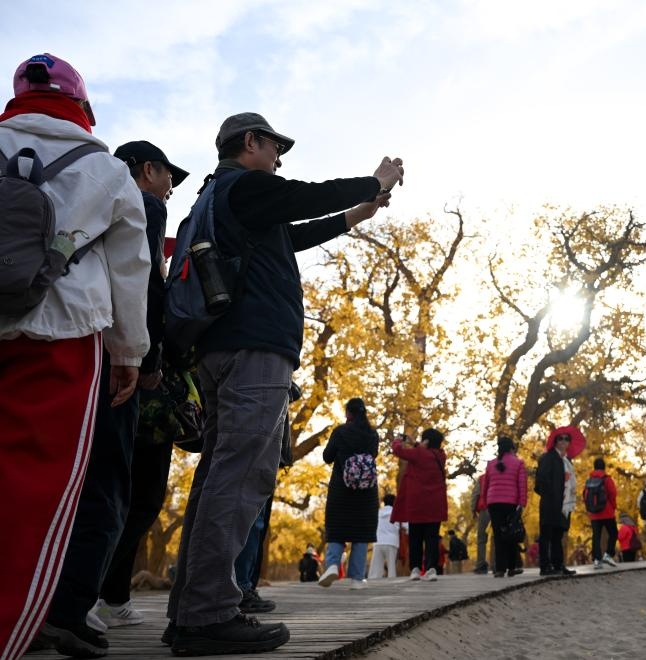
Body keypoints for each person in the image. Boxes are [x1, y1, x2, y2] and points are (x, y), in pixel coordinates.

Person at [166, 113, 403, 656]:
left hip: (221, 348)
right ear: (250, 142)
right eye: (275, 148)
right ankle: (207, 614)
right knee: (242, 477)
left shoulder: (214, 199)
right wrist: (376, 182)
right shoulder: (246, 186)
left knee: (217, 478)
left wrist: (355, 215)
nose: (278, 159)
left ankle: (189, 609)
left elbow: (289, 234)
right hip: (253, 353)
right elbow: (300, 198)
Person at [0, 53, 150, 660]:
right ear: (82, 106)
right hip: (61, 333)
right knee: (37, 489)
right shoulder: (107, 171)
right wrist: (129, 352)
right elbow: (131, 270)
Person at [89, 142, 188, 635]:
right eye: (170, 175)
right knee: (137, 491)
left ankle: (110, 594)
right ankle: (96, 594)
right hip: (131, 364)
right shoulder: (145, 206)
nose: (171, 188)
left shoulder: (92, 200)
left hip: (89, 352)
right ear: (148, 170)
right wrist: (146, 359)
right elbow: (142, 282)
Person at [319, 397, 380, 590]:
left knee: (338, 530)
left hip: (341, 490)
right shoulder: (372, 434)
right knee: (360, 534)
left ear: (348, 413)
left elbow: (327, 457)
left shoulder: (340, 432)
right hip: (366, 492)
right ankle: (357, 578)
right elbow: (373, 455)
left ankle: (332, 566)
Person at [391, 429, 448, 581]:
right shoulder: (441, 456)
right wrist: (414, 442)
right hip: (435, 504)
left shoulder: (418, 454)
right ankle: (431, 569)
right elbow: (426, 452)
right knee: (431, 538)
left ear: (427, 441)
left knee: (415, 537)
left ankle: (415, 569)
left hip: (416, 504)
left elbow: (398, 451)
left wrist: (398, 440)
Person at [484, 436, 528, 578]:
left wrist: (485, 501)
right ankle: (512, 567)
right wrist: (522, 503)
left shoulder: (491, 464)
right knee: (511, 534)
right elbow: (522, 485)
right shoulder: (518, 463)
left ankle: (499, 569)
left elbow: (486, 484)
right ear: (512, 448)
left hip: (493, 502)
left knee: (498, 535)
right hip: (511, 502)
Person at [535, 431, 576, 576]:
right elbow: (540, 481)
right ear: (555, 441)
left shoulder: (568, 461)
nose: (564, 441)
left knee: (558, 535)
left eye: (567, 439)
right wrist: (550, 495)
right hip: (550, 502)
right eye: (561, 439)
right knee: (546, 535)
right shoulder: (548, 458)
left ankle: (558, 564)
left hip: (564, 504)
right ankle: (545, 566)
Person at [585, 457, 619, 569]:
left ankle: (596, 560)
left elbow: (585, 496)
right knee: (613, 533)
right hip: (607, 512)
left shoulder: (589, 481)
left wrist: (590, 509)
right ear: (604, 467)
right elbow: (613, 493)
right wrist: (613, 507)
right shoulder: (607, 479)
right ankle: (608, 554)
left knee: (596, 536)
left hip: (594, 514)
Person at [368, 494, 401, 579]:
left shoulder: (378, 513)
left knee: (375, 569)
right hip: (392, 542)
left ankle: (373, 583)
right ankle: (392, 582)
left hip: (378, 541)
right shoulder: (397, 513)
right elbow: (406, 527)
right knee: (391, 567)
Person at [471, 474, 492, 574]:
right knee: (498, 537)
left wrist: (473, 509)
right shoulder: (502, 474)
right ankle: (498, 564)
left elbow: (475, 494)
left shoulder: (482, 478)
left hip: (485, 509)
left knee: (481, 538)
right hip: (500, 507)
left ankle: (481, 564)